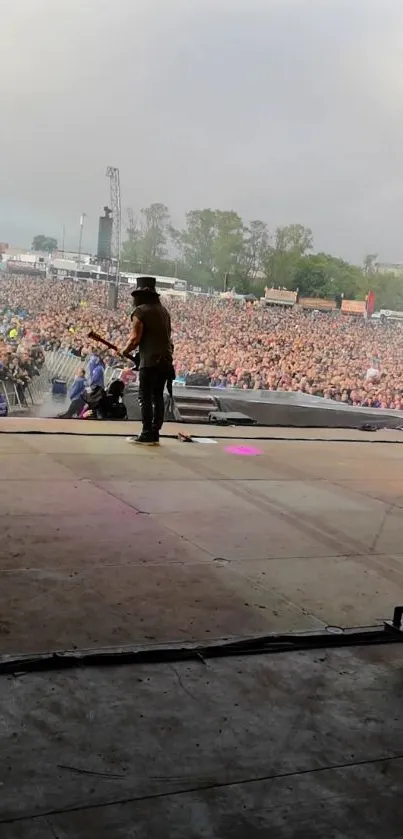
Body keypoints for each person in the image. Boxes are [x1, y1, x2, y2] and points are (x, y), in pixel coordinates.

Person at [122, 276, 173, 445]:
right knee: (157, 396)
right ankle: (155, 432)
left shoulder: (140, 311)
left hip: (150, 361)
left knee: (144, 396)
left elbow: (135, 338)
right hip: (165, 360)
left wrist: (125, 350)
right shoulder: (164, 311)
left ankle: (146, 433)